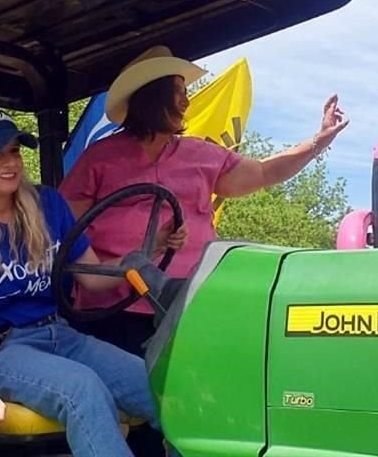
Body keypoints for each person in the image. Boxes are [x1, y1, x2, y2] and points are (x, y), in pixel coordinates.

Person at [0, 106, 177, 457]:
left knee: (161, 385)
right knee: (82, 389)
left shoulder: (48, 205)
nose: (9, 163)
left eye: (13, 151)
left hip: (60, 335)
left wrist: (150, 249)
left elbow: (92, 277)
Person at [60, 45, 349, 356]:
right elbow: (65, 228)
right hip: (111, 312)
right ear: (153, 95)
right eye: (178, 91)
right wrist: (148, 246)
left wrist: (318, 142)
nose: (186, 100)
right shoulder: (99, 158)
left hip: (190, 307)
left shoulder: (202, 155)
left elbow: (264, 172)